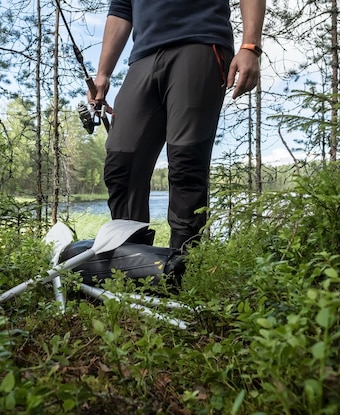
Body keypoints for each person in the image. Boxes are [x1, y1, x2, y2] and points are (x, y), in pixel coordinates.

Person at [90, 0, 266, 249]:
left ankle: (181, 273)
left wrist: (250, 45)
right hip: (142, 57)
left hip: (200, 41)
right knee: (121, 167)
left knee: (186, 165)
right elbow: (121, 8)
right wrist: (103, 74)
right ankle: (130, 266)